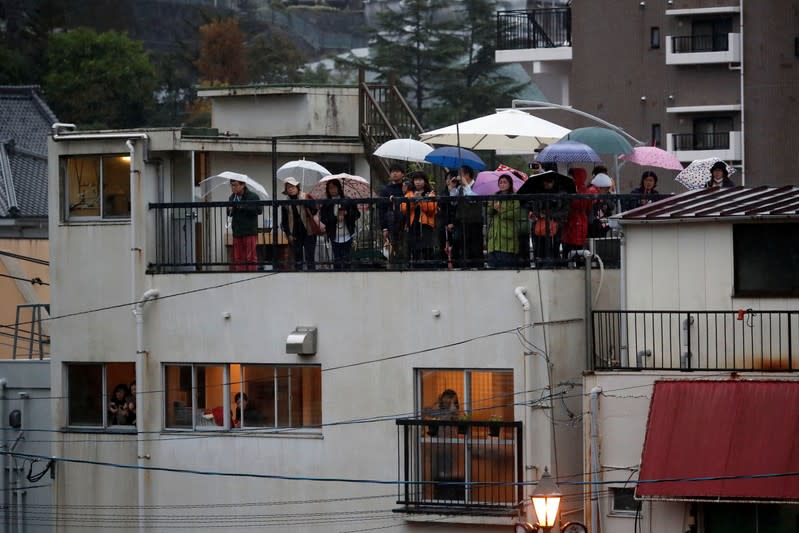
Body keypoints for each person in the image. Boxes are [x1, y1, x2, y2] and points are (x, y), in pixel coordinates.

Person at [320, 178, 360, 270]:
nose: (332, 190)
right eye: (329, 188)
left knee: (347, 260)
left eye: (334, 187)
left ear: (339, 188)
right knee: (337, 260)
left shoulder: (347, 200)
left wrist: (346, 214)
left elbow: (357, 214)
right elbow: (323, 218)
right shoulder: (326, 203)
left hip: (347, 234)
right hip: (334, 235)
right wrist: (335, 218)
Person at [448, 165, 484, 269]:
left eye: (461, 174)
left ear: (467, 175)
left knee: (475, 246)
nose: (458, 177)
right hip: (462, 221)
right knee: (463, 245)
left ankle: (477, 266)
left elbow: (473, 199)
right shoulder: (460, 188)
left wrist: (466, 185)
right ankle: (464, 265)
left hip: (474, 221)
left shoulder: (477, 185)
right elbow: (454, 203)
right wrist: (452, 189)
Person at [400, 171, 437, 267]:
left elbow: (431, 209)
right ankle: (415, 266)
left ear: (425, 181)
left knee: (426, 248)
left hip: (426, 225)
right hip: (413, 224)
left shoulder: (431, 193)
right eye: (416, 180)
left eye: (420, 180)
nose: (418, 182)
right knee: (414, 248)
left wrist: (421, 200)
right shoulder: (409, 194)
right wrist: (413, 201)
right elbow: (403, 208)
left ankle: (428, 267)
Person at [530, 173, 568, 266]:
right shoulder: (537, 193)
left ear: (554, 182)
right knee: (540, 249)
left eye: (549, 181)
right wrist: (539, 213)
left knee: (555, 249)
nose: (547, 184)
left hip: (556, 226)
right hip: (541, 226)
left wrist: (549, 214)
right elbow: (534, 207)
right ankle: (541, 266)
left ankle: (554, 266)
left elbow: (565, 211)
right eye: (545, 181)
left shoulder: (561, 194)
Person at [280, 177, 318, 270]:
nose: (291, 189)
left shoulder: (306, 196)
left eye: (293, 186)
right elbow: (284, 221)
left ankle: (312, 275)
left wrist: (306, 203)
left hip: (309, 231)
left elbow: (314, 210)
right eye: (288, 187)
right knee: (297, 258)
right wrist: (288, 234)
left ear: (297, 187)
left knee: (310, 257)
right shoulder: (285, 203)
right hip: (295, 233)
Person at [228, 179, 263, 271]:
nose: (233, 188)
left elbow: (259, 210)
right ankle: (240, 274)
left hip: (249, 230)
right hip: (237, 230)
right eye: (232, 185)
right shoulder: (232, 197)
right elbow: (230, 214)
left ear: (242, 185)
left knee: (250, 256)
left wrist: (242, 206)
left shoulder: (252, 196)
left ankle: (250, 274)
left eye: (235, 185)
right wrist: (229, 209)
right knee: (238, 256)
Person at [486, 173, 521, 268]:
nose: (502, 184)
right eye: (500, 182)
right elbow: (489, 211)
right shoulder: (494, 196)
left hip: (507, 236)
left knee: (506, 266)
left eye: (505, 182)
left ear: (510, 184)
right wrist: (493, 207)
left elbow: (515, 213)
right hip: (494, 237)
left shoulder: (514, 197)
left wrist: (500, 210)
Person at [379, 164, 407, 268]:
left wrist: (405, 192)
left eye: (397, 171)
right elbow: (381, 209)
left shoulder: (407, 187)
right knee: (392, 248)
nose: (394, 173)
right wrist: (384, 227)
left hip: (405, 223)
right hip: (391, 223)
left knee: (405, 247)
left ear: (402, 174)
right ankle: (392, 268)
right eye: (392, 172)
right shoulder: (386, 189)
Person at [561, 168, 593, 259]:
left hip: (575, 222)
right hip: (579, 222)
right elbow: (589, 208)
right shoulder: (585, 191)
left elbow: (576, 205)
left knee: (570, 248)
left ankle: (568, 264)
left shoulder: (578, 191)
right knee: (576, 248)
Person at [588, 173, 614, 238]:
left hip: (598, 225)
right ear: (600, 188)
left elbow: (611, 206)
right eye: (606, 190)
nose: (607, 192)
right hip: (594, 227)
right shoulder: (593, 193)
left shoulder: (601, 195)